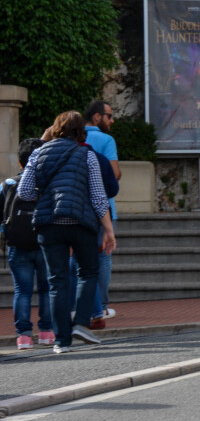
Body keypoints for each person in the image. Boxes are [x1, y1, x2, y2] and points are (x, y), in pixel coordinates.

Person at [17, 112, 116, 354]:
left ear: (55, 128)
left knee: (56, 282)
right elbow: (97, 195)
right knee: (88, 271)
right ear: (80, 131)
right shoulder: (87, 155)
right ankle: (81, 322)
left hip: (49, 225)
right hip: (80, 223)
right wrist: (109, 230)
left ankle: (61, 341)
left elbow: (24, 191)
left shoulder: (39, 153)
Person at [3, 138, 54, 349]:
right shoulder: (49, 183)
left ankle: (23, 336)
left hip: (17, 244)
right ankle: (46, 332)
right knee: (46, 288)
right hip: (44, 242)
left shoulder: (9, 184)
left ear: (20, 162)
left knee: (21, 290)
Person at [82, 101, 120, 329]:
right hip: (104, 208)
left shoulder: (70, 137)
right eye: (109, 116)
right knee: (103, 257)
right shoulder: (106, 140)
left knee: (78, 260)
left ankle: (83, 305)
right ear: (97, 117)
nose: (111, 120)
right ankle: (102, 306)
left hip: (77, 209)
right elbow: (114, 173)